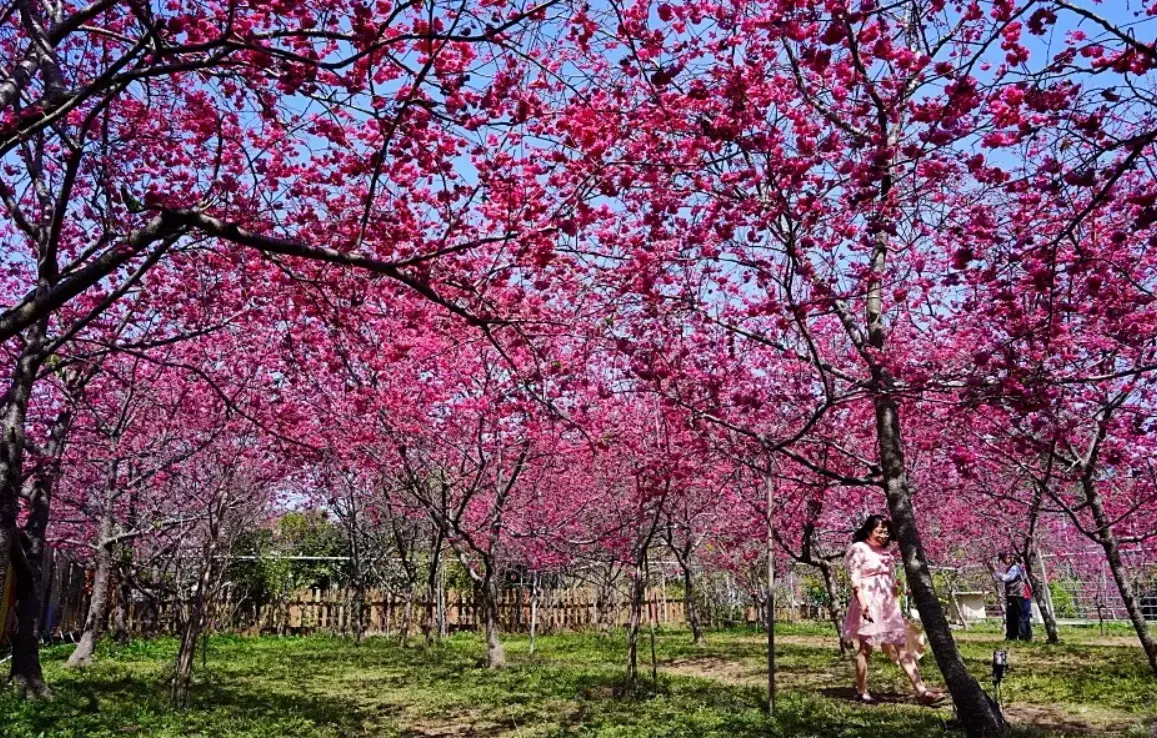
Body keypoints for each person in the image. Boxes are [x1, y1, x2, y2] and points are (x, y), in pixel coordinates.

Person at [844, 515, 942, 704]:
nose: (883, 536)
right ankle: (861, 691)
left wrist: (896, 605)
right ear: (868, 530)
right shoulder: (859, 548)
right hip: (868, 602)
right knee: (865, 648)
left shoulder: (885, 553)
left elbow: (891, 581)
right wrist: (863, 605)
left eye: (886, 532)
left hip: (887, 604)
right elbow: (855, 580)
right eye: (879, 531)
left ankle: (921, 691)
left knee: (901, 646)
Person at [994, 553, 1033, 641]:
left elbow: (1007, 578)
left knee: (1018, 616)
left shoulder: (1015, 567)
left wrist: (995, 572)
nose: (1004, 561)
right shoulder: (1017, 567)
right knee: (1015, 616)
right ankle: (1017, 636)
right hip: (1016, 594)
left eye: (1005, 558)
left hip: (1018, 594)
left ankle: (1022, 636)